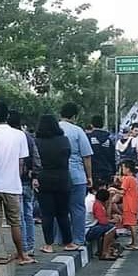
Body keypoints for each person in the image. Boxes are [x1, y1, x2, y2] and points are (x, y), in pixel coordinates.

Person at [0, 102, 35, 265]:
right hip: (12, 185)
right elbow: (21, 163)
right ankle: (21, 254)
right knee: (15, 222)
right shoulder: (19, 135)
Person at [34, 114, 73, 254]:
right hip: (62, 178)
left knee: (47, 214)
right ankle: (68, 242)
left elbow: (34, 161)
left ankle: (48, 244)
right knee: (63, 213)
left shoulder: (36, 142)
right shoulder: (64, 140)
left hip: (43, 179)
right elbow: (68, 156)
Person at [59, 102, 94, 249]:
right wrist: (89, 176)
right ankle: (78, 239)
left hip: (58, 174)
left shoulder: (54, 129)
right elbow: (86, 156)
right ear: (74, 116)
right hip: (77, 174)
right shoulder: (78, 131)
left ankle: (59, 239)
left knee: (59, 209)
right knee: (78, 208)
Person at [9, 110, 41, 257]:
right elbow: (36, 158)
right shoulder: (28, 137)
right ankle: (30, 246)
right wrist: (35, 175)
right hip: (28, 180)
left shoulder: (11, 136)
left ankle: (23, 248)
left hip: (16, 180)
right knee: (27, 214)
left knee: (19, 216)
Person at [86, 188, 119, 261]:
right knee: (111, 228)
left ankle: (109, 249)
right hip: (88, 231)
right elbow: (103, 222)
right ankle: (105, 253)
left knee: (108, 227)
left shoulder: (90, 199)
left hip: (85, 229)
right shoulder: (97, 204)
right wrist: (112, 221)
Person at [118, 160, 138, 251]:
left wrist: (113, 190)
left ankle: (135, 243)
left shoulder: (128, 179)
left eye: (123, 168)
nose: (122, 170)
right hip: (133, 203)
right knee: (132, 224)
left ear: (127, 169)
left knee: (132, 225)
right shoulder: (133, 178)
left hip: (129, 204)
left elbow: (122, 191)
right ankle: (133, 242)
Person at [88, 115, 117, 185]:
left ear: (91, 125)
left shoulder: (88, 138)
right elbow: (113, 157)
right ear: (103, 125)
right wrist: (114, 172)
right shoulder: (109, 139)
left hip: (93, 172)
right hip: (107, 172)